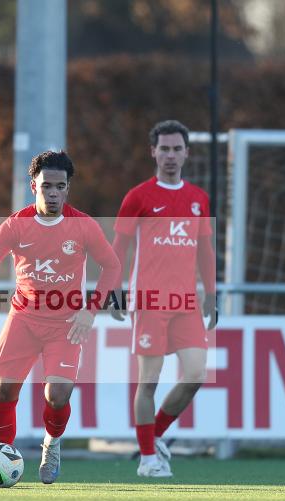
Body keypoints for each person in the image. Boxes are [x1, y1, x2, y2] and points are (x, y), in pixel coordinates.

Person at [0, 150, 121, 484]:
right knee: (4, 393)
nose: (53, 193)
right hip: (23, 319)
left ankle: (52, 442)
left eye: (60, 186)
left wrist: (90, 312)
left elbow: (113, 266)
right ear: (33, 185)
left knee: (57, 396)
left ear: (67, 189)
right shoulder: (16, 225)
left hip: (65, 325)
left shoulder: (83, 226)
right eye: (47, 185)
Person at [110, 120, 217, 477]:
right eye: (164, 149)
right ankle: (147, 461)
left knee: (196, 375)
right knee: (149, 382)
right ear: (153, 152)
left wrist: (212, 294)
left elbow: (206, 251)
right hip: (150, 301)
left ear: (187, 152)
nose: (170, 155)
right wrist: (114, 289)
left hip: (186, 302)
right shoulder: (138, 196)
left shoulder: (199, 199)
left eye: (177, 149)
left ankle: (150, 437)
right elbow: (119, 248)